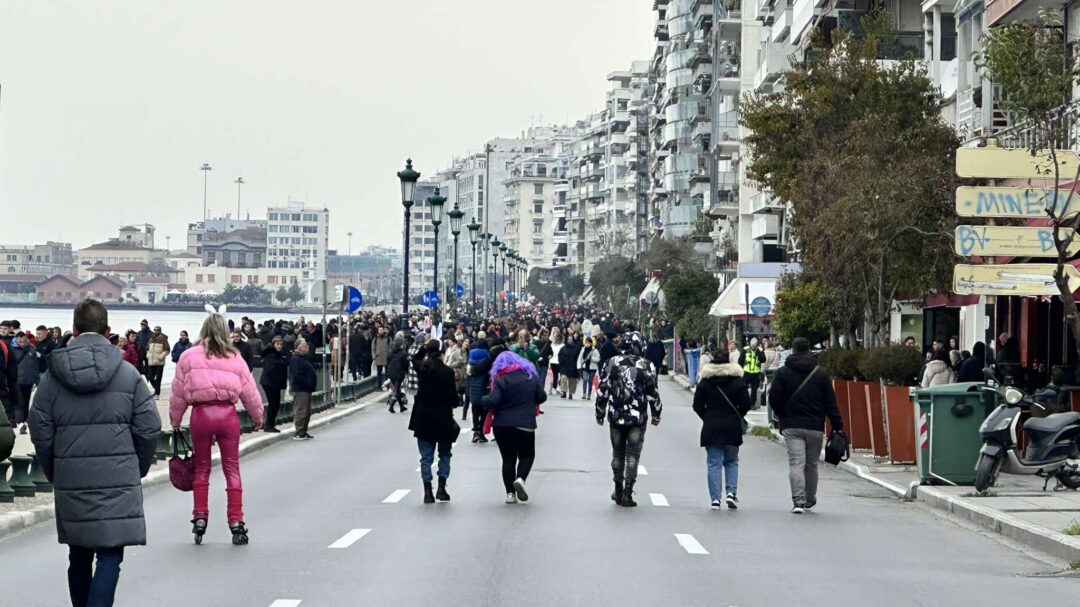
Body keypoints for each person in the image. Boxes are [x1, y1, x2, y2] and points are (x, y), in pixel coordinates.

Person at [29, 299, 161, 606]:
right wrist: (136, 467)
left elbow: (41, 432)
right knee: (111, 554)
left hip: (72, 477)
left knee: (78, 553)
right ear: (107, 331)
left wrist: (55, 470)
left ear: (73, 330)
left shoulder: (51, 380)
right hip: (117, 476)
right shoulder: (128, 375)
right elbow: (149, 427)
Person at [170, 311, 264, 545]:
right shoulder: (234, 357)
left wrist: (175, 419)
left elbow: (178, 392)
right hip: (227, 414)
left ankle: (200, 516)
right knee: (231, 468)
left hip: (200, 415)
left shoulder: (188, 356)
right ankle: (236, 521)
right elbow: (249, 391)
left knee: (202, 468)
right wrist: (257, 416)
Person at [769, 337, 844, 514]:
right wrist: (837, 424)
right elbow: (830, 403)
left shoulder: (783, 373)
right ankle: (810, 499)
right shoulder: (821, 374)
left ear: (793, 350)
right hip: (815, 426)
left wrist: (783, 417)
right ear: (809, 350)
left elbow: (774, 399)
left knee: (796, 463)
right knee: (811, 464)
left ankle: (798, 500)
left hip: (792, 426)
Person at [595, 332, 662, 507]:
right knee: (632, 456)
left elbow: (603, 389)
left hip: (616, 416)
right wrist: (656, 413)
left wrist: (599, 411)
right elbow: (652, 393)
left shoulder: (611, 363)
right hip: (637, 418)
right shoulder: (647, 365)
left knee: (617, 453)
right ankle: (627, 492)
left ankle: (617, 487)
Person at [482, 350, 546, 504]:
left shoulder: (501, 379)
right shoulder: (530, 378)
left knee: (508, 459)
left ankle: (510, 494)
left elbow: (494, 400)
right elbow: (542, 397)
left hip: (502, 425)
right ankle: (520, 479)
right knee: (527, 455)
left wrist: (483, 399)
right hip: (525, 423)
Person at [693, 349, 750, 510]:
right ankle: (731, 493)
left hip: (712, 426)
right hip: (732, 426)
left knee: (714, 463)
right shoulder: (738, 382)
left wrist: (708, 417)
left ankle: (715, 499)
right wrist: (737, 415)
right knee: (732, 462)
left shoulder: (705, 382)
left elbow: (697, 406)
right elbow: (746, 403)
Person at [408, 340, 459, 503]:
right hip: (443, 419)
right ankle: (442, 488)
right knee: (444, 454)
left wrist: (425, 347)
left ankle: (427, 491)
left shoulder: (423, 368)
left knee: (426, 457)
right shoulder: (448, 372)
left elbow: (414, 358)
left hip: (423, 418)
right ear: (442, 353)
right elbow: (454, 400)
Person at [289, 339, 317, 439]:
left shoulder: (303, 358)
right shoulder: (296, 359)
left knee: (307, 411)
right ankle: (299, 431)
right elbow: (297, 375)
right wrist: (307, 383)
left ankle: (304, 431)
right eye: (305, 345)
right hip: (301, 389)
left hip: (306, 389)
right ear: (299, 347)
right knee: (301, 410)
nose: (307, 347)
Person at [260, 337, 289, 433]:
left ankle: (270, 424)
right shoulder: (271, 355)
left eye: (281, 344)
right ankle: (269, 425)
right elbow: (270, 370)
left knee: (275, 404)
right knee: (273, 404)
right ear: (273, 344)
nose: (280, 346)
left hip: (274, 383)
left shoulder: (278, 354)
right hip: (270, 383)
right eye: (277, 344)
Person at [11, 332, 37, 435]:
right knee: (19, 402)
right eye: (20, 342)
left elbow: (35, 365)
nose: (22, 344)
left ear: (27, 339)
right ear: (16, 340)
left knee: (26, 402)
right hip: (17, 380)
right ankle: (20, 423)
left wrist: (37, 379)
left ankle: (25, 421)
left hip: (29, 380)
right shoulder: (11, 349)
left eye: (24, 341)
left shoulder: (32, 348)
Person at [467, 337, 492, 443]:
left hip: (473, 387)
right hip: (484, 387)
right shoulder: (488, 356)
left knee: (475, 410)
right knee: (484, 410)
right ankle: (481, 432)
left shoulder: (471, 356)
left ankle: (475, 431)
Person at [739, 337, 766, 404]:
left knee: (754, 389)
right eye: (752, 346)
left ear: (757, 345)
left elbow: (763, 360)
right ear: (750, 344)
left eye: (755, 346)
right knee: (744, 388)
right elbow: (740, 361)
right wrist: (741, 370)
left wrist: (759, 353)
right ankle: (744, 401)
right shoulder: (745, 349)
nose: (753, 347)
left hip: (756, 373)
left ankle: (752, 403)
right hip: (746, 372)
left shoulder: (760, 350)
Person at [558, 334, 581, 399]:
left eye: (571, 339)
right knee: (563, 379)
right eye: (569, 339)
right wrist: (562, 361)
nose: (570, 340)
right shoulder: (563, 348)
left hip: (573, 366)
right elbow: (559, 356)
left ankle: (571, 393)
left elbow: (578, 358)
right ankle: (564, 392)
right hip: (564, 366)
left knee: (572, 381)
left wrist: (579, 367)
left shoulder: (576, 348)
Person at [548, 328, 564, 394]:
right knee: (557, 376)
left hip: (557, 362)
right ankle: (556, 388)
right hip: (555, 362)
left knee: (557, 376)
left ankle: (556, 388)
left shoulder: (561, 345)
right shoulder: (553, 345)